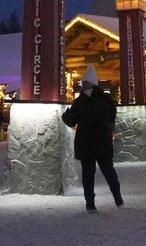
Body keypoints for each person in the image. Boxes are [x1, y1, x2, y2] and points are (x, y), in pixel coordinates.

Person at [61, 65, 122, 212]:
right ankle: (91, 203)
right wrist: (67, 116)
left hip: (95, 142)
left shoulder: (92, 100)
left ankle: (116, 198)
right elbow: (72, 121)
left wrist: (68, 116)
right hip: (92, 143)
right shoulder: (91, 100)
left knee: (105, 171)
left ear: (91, 83)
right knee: (92, 174)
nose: (82, 86)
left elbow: (110, 116)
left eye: (84, 83)